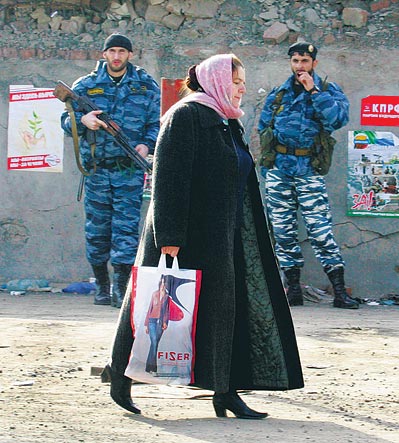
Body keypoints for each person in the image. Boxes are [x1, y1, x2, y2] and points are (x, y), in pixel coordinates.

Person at [104, 54, 304, 418]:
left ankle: (225, 391)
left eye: (242, 81)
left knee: (223, 312)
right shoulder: (185, 115)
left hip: (221, 236)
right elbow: (168, 179)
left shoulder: (225, 120)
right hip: (184, 235)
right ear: (215, 81)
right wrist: (169, 236)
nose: (242, 88)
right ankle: (120, 376)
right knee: (152, 307)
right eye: (236, 81)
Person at [60, 34, 161, 308]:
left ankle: (121, 288)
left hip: (128, 169)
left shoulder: (145, 85)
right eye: (112, 51)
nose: (116, 56)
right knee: (97, 230)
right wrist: (83, 120)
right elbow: (65, 124)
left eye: (122, 52)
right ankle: (101, 286)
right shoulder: (86, 85)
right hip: (97, 170)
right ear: (104, 54)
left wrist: (145, 144)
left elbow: (156, 123)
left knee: (126, 229)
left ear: (130, 54)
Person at [257, 42, 358, 309]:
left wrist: (313, 90)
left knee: (320, 231)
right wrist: (269, 169)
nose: (299, 66)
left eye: (304, 61)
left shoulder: (327, 91)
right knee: (283, 231)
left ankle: (339, 291)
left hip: (309, 171)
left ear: (314, 63)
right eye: (295, 61)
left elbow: (337, 119)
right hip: (280, 171)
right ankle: (292, 290)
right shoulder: (279, 94)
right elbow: (263, 127)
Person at [144, 275, 170, 374]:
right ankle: (153, 368)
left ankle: (148, 367)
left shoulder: (167, 296)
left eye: (165, 283)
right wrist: (146, 324)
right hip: (152, 321)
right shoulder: (155, 294)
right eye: (162, 282)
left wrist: (165, 322)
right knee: (154, 342)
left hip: (160, 322)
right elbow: (150, 308)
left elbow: (167, 311)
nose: (163, 285)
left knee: (154, 344)